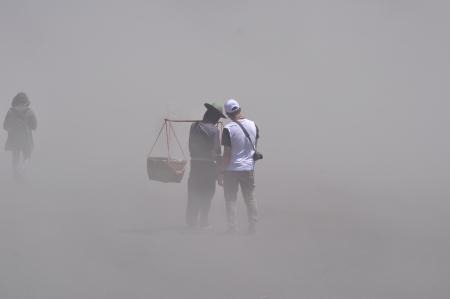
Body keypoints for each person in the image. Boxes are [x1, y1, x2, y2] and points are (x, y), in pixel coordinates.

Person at [218, 99, 259, 235]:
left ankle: (232, 229)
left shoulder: (228, 129)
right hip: (248, 169)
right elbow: (254, 148)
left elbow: (227, 155)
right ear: (240, 109)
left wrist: (221, 172)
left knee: (231, 199)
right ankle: (253, 228)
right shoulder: (254, 125)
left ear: (228, 114)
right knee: (250, 198)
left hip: (231, 170)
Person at [186, 102, 227, 231]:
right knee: (207, 194)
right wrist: (221, 169)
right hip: (208, 166)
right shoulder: (213, 130)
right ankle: (204, 222)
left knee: (193, 194)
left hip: (195, 164)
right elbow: (215, 153)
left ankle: (191, 224)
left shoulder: (194, 126)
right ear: (215, 117)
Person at [3, 92, 38, 184]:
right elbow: (34, 126)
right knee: (27, 156)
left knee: (15, 158)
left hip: (13, 137)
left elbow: (5, 126)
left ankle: (15, 179)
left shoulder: (11, 111)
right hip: (26, 138)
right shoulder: (29, 111)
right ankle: (22, 172)